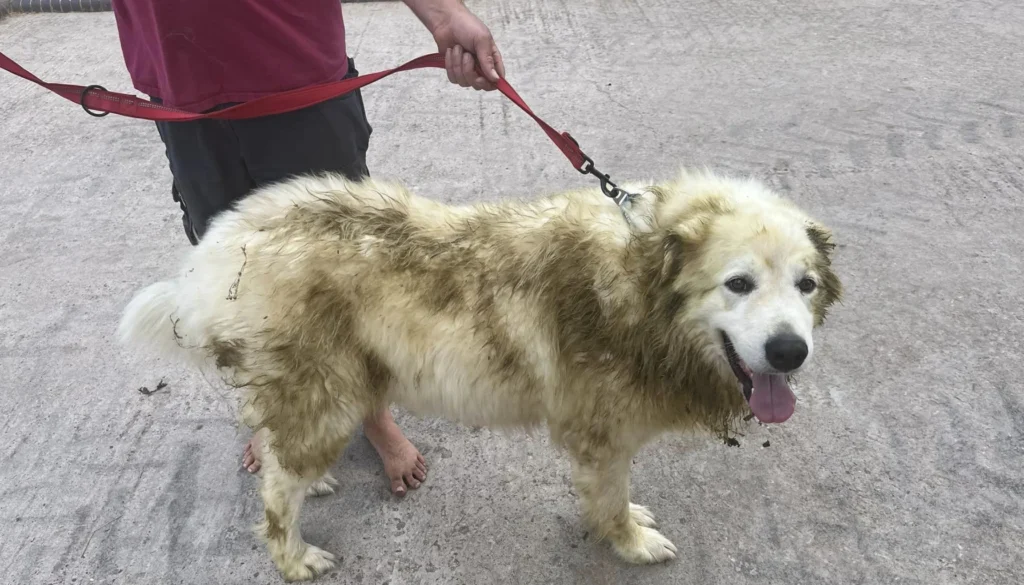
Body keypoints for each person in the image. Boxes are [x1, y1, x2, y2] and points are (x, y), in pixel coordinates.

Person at [110, 0, 506, 496]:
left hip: (295, 70)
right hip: (178, 80)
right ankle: (272, 409)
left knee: (345, 271)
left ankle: (372, 412)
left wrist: (444, 16)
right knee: (233, 276)